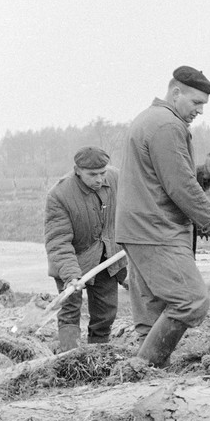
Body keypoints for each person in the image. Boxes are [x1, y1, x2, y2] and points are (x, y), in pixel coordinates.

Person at [115, 66, 210, 367]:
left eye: (203, 105)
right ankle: (144, 367)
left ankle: (144, 376)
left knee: (152, 311)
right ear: (176, 93)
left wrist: (205, 172)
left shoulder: (149, 120)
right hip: (157, 229)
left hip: (138, 229)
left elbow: (166, 176)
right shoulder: (167, 126)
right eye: (196, 102)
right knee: (192, 301)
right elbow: (180, 187)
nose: (200, 110)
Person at [44, 146, 127, 351]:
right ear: (77, 170)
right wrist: (71, 275)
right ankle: (68, 355)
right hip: (72, 259)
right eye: (92, 175)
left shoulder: (118, 179)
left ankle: (98, 354)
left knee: (105, 312)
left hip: (107, 258)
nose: (99, 179)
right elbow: (58, 241)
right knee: (70, 309)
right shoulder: (59, 195)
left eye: (102, 173)